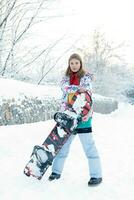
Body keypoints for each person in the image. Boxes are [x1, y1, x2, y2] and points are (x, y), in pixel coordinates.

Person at [48, 53, 102, 186]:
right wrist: (78, 88)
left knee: (89, 147)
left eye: (76, 63)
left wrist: (88, 113)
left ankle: (96, 175)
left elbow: (88, 97)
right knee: (62, 147)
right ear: (69, 64)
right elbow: (64, 89)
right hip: (68, 118)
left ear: (80, 64)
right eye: (71, 63)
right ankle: (56, 172)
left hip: (83, 118)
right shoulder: (65, 79)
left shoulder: (87, 79)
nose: (74, 65)